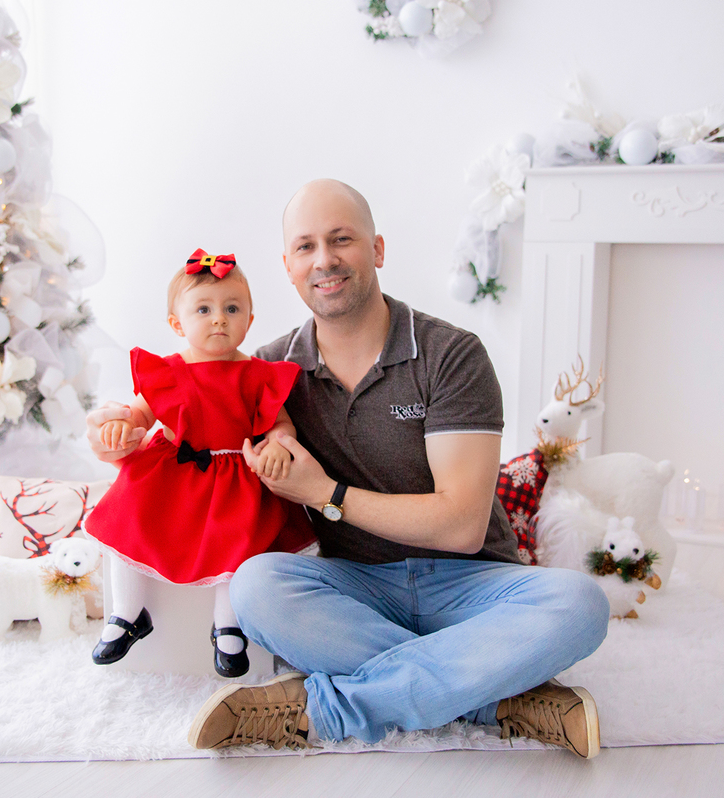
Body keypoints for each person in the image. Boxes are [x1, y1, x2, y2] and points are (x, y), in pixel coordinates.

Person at [87, 181, 610, 757]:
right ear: (287, 267)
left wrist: (324, 492)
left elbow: (461, 526)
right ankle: (491, 693)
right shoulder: (267, 371)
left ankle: (336, 707)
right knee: (259, 586)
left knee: (579, 605)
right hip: (350, 590)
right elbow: (184, 436)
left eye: (343, 240)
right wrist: (118, 434)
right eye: (306, 246)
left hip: (473, 583)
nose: (325, 259)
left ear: (378, 249)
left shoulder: (450, 353)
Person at [83, 250, 315, 678]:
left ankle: (228, 624)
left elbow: (280, 424)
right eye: (203, 309)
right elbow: (140, 414)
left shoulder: (257, 373)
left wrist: (281, 444)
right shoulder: (170, 372)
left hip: (235, 478)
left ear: (248, 320)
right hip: (171, 473)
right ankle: (128, 615)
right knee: (126, 522)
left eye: (232, 309)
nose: (219, 319)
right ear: (177, 323)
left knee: (241, 543)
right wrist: (121, 424)